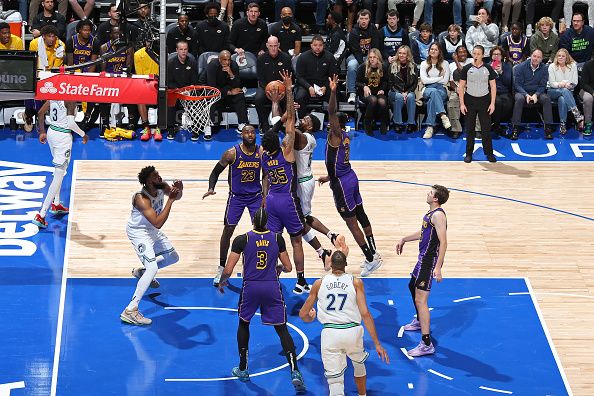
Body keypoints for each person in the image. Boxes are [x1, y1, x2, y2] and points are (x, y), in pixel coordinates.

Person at [217, 207, 306, 391]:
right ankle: (295, 371)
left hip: (251, 286)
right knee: (282, 329)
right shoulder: (277, 238)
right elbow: (289, 267)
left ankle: (243, 368)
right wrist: (279, 267)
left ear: (253, 222)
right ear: (266, 223)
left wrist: (221, 282)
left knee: (244, 323)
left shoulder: (242, 239)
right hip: (272, 286)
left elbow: (228, 269)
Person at [298, 238, 390, 396]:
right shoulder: (356, 282)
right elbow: (365, 314)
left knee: (335, 382)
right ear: (346, 265)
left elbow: (303, 315)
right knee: (359, 365)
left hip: (330, 334)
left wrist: (311, 317)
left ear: (330, 266)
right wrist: (377, 343)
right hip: (352, 332)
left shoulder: (319, 283)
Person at [319, 74, 382, 277]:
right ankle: (374, 252)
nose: (330, 124)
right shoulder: (344, 136)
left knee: (351, 222)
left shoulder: (335, 134)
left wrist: (333, 91)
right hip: (348, 176)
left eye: (333, 122)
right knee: (361, 214)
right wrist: (328, 176)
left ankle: (371, 259)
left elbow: (330, 111)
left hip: (343, 185)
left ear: (336, 124)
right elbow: (339, 162)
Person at [260, 77, 312, 294]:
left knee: (272, 240)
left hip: (270, 201)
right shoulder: (287, 152)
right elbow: (290, 120)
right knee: (296, 242)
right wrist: (289, 92)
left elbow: (265, 180)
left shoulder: (263, 156)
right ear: (280, 143)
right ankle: (300, 280)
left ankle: (270, 274)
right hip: (288, 201)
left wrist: (263, 199)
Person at [120, 166, 183, 325]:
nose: (160, 178)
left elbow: (176, 195)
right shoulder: (141, 198)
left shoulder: (162, 186)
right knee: (153, 268)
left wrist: (179, 190)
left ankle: (142, 272)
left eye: (159, 175)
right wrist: (171, 200)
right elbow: (158, 222)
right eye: (156, 177)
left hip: (152, 230)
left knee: (173, 257)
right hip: (139, 232)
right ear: (148, 182)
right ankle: (131, 310)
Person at [205, 125, 262, 287]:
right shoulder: (231, 153)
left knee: (260, 231)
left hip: (255, 197)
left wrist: (266, 194)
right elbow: (215, 172)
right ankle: (222, 267)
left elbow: (266, 174)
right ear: (241, 135)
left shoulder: (261, 152)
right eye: (247, 132)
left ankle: (257, 268)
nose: (250, 134)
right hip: (236, 197)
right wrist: (211, 188)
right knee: (228, 230)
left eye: (252, 132)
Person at [396, 184, 449, 357]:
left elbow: (443, 242)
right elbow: (423, 232)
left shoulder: (439, 215)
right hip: (422, 259)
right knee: (412, 285)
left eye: (430, 193)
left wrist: (438, 267)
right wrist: (404, 238)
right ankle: (419, 321)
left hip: (428, 261)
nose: (427, 193)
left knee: (421, 300)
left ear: (435, 199)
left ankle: (426, 343)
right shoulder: (431, 214)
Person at [31, 100, 88, 229]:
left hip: (51, 132)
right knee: (59, 174)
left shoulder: (54, 96)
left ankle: (56, 204)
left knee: (59, 171)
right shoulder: (70, 100)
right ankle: (42, 214)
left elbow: (40, 113)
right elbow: (71, 124)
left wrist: (42, 131)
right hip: (62, 137)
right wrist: (83, 134)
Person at [458, 45, 497, 163]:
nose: (475, 56)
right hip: (470, 100)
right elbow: (461, 87)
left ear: (483, 55)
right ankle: (469, 153)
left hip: (484, 100)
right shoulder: (466, 68)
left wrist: (492, 103)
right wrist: (462, 104)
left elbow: (493, 86)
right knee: (470, 129)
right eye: (474, 53)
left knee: (486, 129)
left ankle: (489, 153)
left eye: (478, 54)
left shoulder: (488, 68)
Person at [510, 49, 554, 139]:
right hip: (522, 91)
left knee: (546, 99)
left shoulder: (545, 68)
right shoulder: (520, 67)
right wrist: (526, 94)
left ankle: (548, 128)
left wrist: (536, 94)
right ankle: (515, 127)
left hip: (536, 92)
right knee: (519, 99)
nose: (535, 59)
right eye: (534, 56)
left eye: (538, 57)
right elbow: (517, 85)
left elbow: (543, 85)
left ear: (541, 59)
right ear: (531, 56)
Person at [206, 50, 249, 140]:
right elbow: (212, 86)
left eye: (229, 59)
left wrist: (231, 74)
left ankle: (242, 123)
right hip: (215, 91)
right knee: (210, 97)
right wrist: (229, 92)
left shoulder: (233, 65)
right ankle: (208, 126)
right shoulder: (212, 66)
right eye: (224, 60)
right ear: (219, 59)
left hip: (228, 90)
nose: (227, 62)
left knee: (239, 95)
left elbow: (237, 84)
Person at [255, 36, 293, 133]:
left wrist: (284, 84)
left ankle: (286, 123)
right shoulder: (261, 59)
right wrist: (269, 89)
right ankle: (263, 123)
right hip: (266, 87)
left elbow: (289, 76)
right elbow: (260, 78)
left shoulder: (286, 58)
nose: (273, 48)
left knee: (288, 98)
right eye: (271, 46)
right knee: (258, 98)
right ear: (267, 46)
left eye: (275, 46)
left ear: (278, 45)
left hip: (282, 87)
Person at [295, 35, 338, 118]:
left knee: (334, 96)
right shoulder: (303, 57)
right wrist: (309, 87)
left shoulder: (329, 57)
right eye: (315, 45)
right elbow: (299, 77)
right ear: (311, 45)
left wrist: (325, 87)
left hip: (324, 85)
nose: (318, 47)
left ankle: (334, 122)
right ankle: (301, 121)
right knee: (300, 96)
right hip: (307, 85)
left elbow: (333, 76)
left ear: (323, 45)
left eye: (320, 45)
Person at [346, 9, 381, 104]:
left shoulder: (373, 29)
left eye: (366, 18)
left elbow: (375, 46)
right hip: (356, 55)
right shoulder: (354, 31)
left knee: (380, 63)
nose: (364, 21)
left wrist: (371, 59)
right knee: (352, 65)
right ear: (358, 19)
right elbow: (356, 50)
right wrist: (363, 63)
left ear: (369, 19)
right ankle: (352, 93)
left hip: (371, 55)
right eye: (361, 18)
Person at [166, 40, 199, 139]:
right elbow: (168, 81)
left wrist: (188, 90)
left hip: (188, 90)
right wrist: (178, 90)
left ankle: (195, 128)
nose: (183, 51)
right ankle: (171, 129)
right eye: (181, 49)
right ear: (177, 50)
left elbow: (195, 80)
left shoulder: (192, 62)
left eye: (185, 49)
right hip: (175, 90)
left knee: (195, 98)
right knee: (170, 100)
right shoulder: (170, 63)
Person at [547, 48, 584, 135]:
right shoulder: (552, 66)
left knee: (562, 99)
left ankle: (563, 124)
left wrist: (568, 85)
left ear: (567, 57)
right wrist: (562, 84)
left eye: (563, 56)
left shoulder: (573, 65)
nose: (560, 57)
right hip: (552, 91)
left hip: (568, 91)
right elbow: (552, 83)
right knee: (563, 91)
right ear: (556, 57)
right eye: (559, 56)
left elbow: (575, 82)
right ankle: (577, 115)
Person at [420, 43, 451, 139]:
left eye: (436, 49)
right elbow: (424, 80)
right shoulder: (424, 63)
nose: (433, 51)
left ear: (439, 52)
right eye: (431, 49)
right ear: (429, 51)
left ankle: (430, 127)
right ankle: (443, 115)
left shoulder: (445, 63)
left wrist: (434, 79)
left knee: (431, 100)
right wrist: (439, 77)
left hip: (441, 89)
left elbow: (445, 81)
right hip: (427, 89)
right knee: (433, 91)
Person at [356, 48, 389, 135]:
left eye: (374, 57)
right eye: (370, 57)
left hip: (379, 92)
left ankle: (384, 124)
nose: (372, 59)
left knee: (382, 101)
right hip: (366, 94)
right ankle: (367, 124)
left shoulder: (384, 67)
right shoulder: (363, 67)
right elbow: (357, 82)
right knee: (373, 100)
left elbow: (386, 81)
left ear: (378, 58)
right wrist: (364, 86)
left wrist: (383, 89)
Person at [389, 45, 419, 133]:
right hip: (394, 91)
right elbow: (390, 83)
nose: (401, 55)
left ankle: (411, 123)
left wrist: (407, 92)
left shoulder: (413, 66)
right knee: (399, 97)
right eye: (400, 53)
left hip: (409, 91)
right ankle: (397, 123)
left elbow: (415, 83)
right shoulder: (392, 66)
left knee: (410, 97)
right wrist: (400, 92)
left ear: (408, 55)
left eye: (404, 53)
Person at [447, 45, 471, 138]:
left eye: (464, 51)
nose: (463, 54)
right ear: (456, 54)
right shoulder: (451, 65)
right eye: (460, 52)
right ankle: (456, 129)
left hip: (470, 88)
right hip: (457, 89)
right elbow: (451, 81)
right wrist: (457, 90)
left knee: (478, 100)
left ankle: (477, 129)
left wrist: (456, 61)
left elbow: (464, 73)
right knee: (452, 101)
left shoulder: (472, 62)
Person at [489, 46, 513, 137]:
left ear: (502, 56)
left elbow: (508, 82)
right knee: (497, 101)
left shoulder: (507, 66)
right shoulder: (487, 66)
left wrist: (501, 72)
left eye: (498, 54)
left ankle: (495, 123)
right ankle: (497, 126)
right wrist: (491, 71)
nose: (496, 56)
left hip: (504, 91)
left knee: (506, 101)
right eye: (494, 54)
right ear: (491, 56)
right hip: (490, 91)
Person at [580, 58, 594, 136]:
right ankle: (588, 123)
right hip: (587, 90)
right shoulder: (588, 65)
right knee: (588, 98)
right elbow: (584, 84)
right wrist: (592, 92)